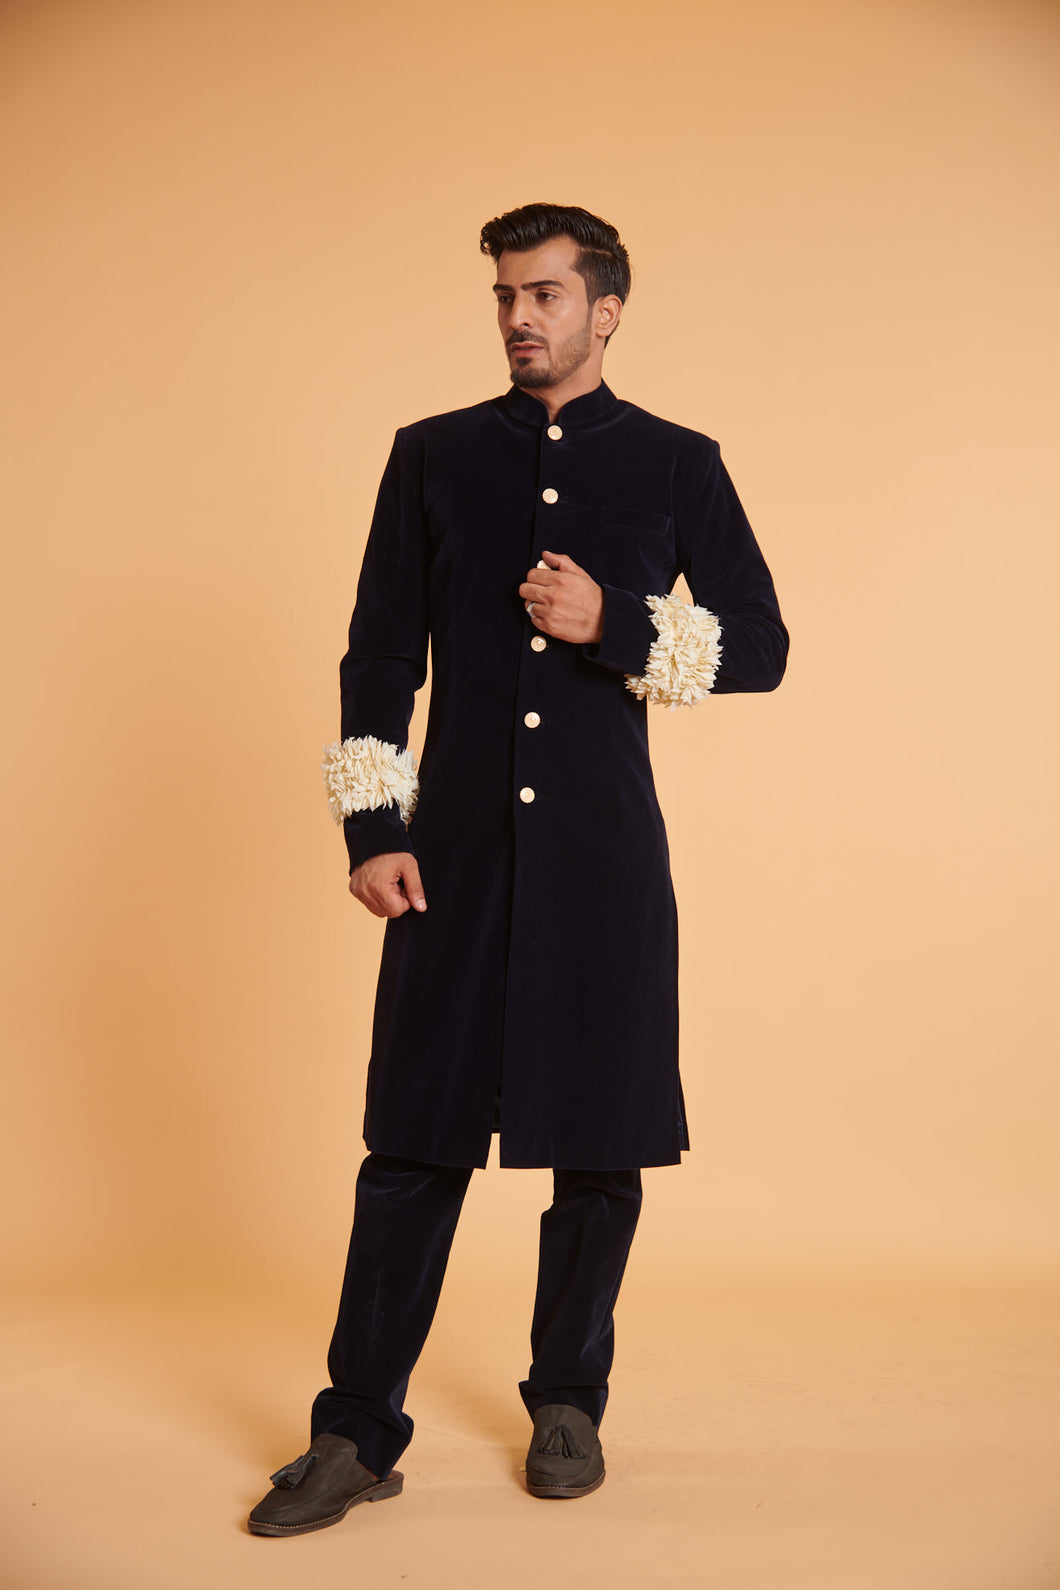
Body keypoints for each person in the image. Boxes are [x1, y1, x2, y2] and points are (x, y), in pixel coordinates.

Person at [248, 202, 789, 1536]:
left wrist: (619, 624)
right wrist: (373, 829)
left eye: (544, 293)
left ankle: (568, 1403)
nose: (518, 317)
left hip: (605, 862)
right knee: (411, 1141)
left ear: (607, 309)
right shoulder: (431, 454)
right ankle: (355, 1430)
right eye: (504, 295)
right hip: (452, 860)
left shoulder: (677, 462)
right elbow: (380, 654)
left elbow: (764, 643)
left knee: (601, 1147)